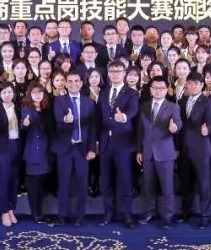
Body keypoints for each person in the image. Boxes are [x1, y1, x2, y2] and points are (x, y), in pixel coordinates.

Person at [98, 60, 139, 228]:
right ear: (108, 74)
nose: (115, 74)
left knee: (126, 180)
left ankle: (127, 215)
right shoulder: (103, 92)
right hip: (105, 143)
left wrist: (124, 117)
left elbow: (133, 111)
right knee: (106, 181)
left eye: (118, 71)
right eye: (112, 71)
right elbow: (99, 117)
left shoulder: (132, 93)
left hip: (123, 143)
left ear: (124, 73)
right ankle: (108, 213)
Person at [136, 76, 182, 228]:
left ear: (167, 89)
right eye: (155, 88)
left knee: (167, 187)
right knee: (148, 185)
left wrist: (175, 128)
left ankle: (168, 216)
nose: (158, 91)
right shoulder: (144, 106)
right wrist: (139, 150)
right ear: (150, 89)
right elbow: (140, 130)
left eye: (161, 88)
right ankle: (150, 212)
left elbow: (178, 123)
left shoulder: (173, 107)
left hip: (165, 153)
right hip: (147, 152)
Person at [52, 71, 97, 226]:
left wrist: (92, 148)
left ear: (81, 83)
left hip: (82, 149)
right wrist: (65, 120)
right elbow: (57, 122)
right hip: (65, 148)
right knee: (63, 183)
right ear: (65, 84)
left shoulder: (89, 102)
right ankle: (62, 215)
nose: (73, 84)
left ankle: (80, 216)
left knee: (82, 183)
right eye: (70, 81)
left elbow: (93, 127)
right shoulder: (59, 101)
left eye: (76, 81)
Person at [177, 74, 211, 228]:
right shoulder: (182, 101)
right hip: (184, 148)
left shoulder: (207, 101)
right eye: (190, 83)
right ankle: (186, 212)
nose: (192, 86)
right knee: (185, 182)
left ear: (201, 85)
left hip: (201, 148)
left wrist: (208, 128)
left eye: (196, 84)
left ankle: (205, 215)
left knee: (204, 183)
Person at [0, 83, 22, 227]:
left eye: (9, 92)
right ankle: (4, 211)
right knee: (3, 180)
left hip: (16, 145)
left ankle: (11, 209)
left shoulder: (18, 108)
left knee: (14, 180)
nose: (7, 95)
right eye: (4, 93)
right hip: (2, 147)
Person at [21, 81, 52, 224]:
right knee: (33, 186)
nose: (37, 95)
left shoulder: (47, 108)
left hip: (46, 152)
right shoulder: (26, 108)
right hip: (33, 152)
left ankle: (40, 211)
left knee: (41, 185)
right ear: (30, 94)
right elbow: (23, 123)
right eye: (34, 93)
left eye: (40, 92)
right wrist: (25, 124)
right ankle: (36, 213)